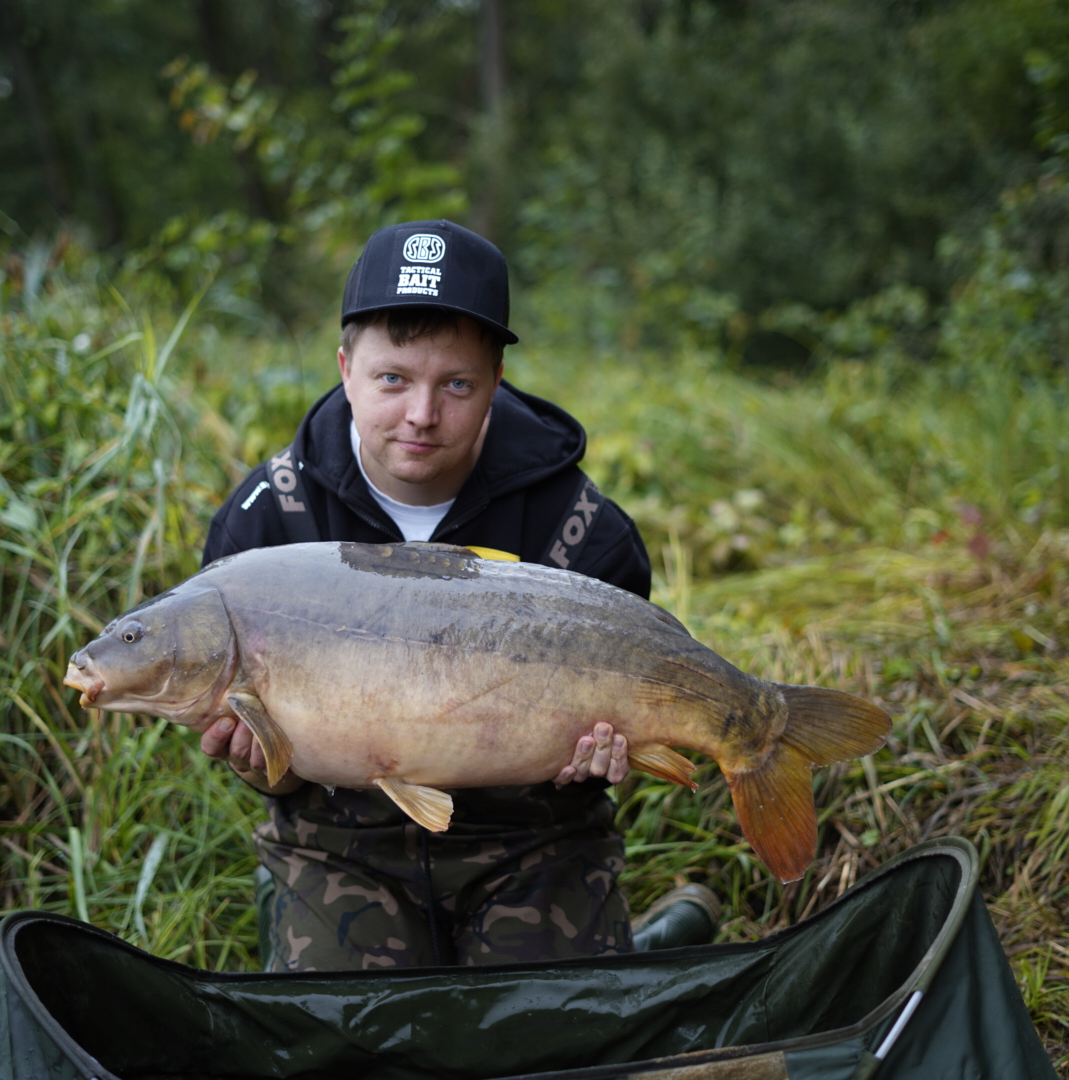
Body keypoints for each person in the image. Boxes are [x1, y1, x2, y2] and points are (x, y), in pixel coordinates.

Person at [199, 219, 717, 970]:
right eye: (392, 379)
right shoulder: (268, 524)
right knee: (354, 1049)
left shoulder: (582, 531)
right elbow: (268, 760)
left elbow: (636, 697)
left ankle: (636, 944)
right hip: (342, 845)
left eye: (457, 385)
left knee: (552, 1047)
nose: (421, 414)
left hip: (535, 839)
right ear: (345, 368)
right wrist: (256, 761)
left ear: (495, 385)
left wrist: (611, 754)